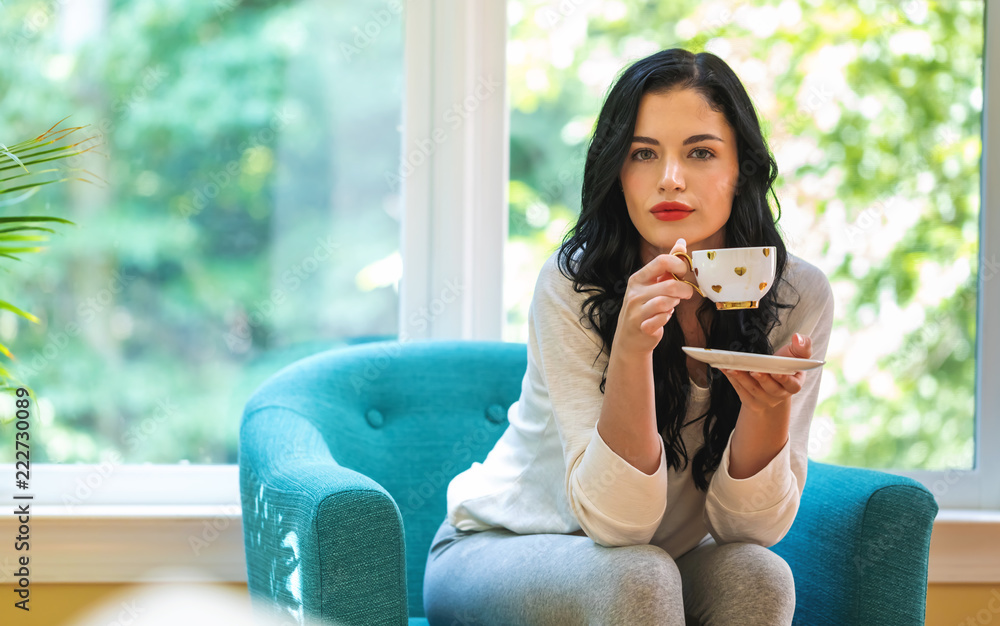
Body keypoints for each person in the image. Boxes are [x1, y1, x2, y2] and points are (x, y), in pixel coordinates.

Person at [423, 48, 834, 625]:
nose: (670, 178)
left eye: (700, 152)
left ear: (742, 168)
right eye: (644, 154)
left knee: (759, 573)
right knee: (638, 573)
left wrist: (765, 413)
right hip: (499, 548)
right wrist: (632, 350)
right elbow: (619, 524)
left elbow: (751, 532)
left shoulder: (795, 295)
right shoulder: (574, 285)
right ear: (618, 171)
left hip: (655, 564)